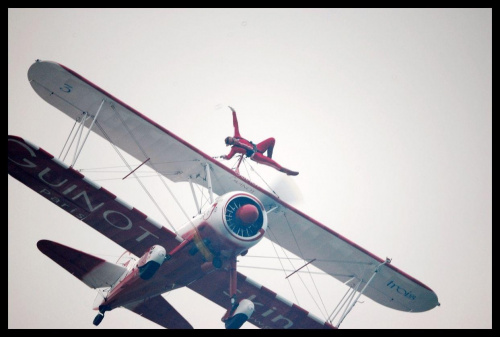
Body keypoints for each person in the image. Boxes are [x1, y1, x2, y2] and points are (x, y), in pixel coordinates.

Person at [220, 107, 299, 176]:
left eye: (232, 139)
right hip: (255, 155)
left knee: (272, 140)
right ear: (230, 144)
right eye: (232, 142)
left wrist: (233, 112)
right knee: (273, 164)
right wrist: (225, 157)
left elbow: (235, 124)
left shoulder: (237, 136)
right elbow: (229, 157)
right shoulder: (234, 149)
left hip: (257, 147)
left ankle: (269, 158)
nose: (234, 140)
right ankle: (286, 171)